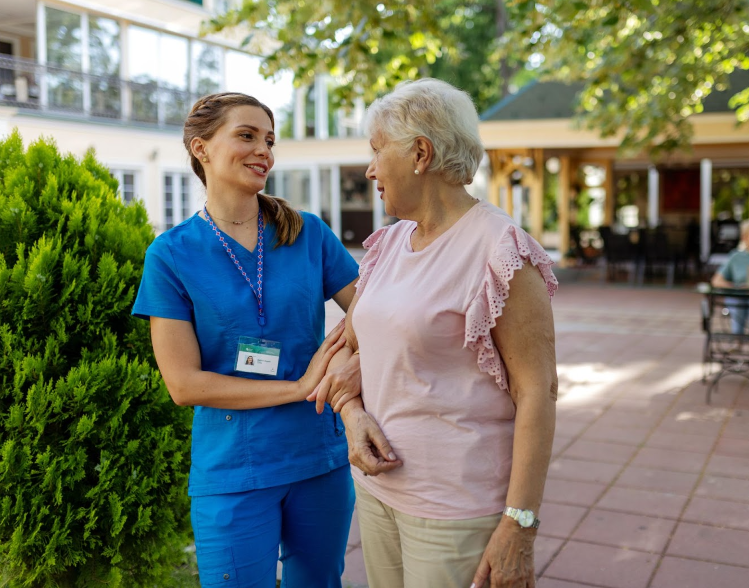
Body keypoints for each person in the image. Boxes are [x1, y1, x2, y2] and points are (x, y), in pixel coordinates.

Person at [313, 78, 559, 588]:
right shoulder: (387, 245)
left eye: (378, 151)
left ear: (420, 153)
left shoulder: (500, 251)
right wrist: (353, 414)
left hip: (456, 510)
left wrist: (521, 523)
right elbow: (345, 351)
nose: (370, 169)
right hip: (379, 494)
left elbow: (538, 392)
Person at [132, 92, 364, 587]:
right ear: (201, 148)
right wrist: (299, 387)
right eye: (247, 135)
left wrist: (349, 356)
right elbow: (184, 385)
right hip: (233, 472)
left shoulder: (308, 235)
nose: (264, 150)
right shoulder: (170, 256)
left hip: (317, 458)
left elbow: (375, 314)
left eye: (270, 140)